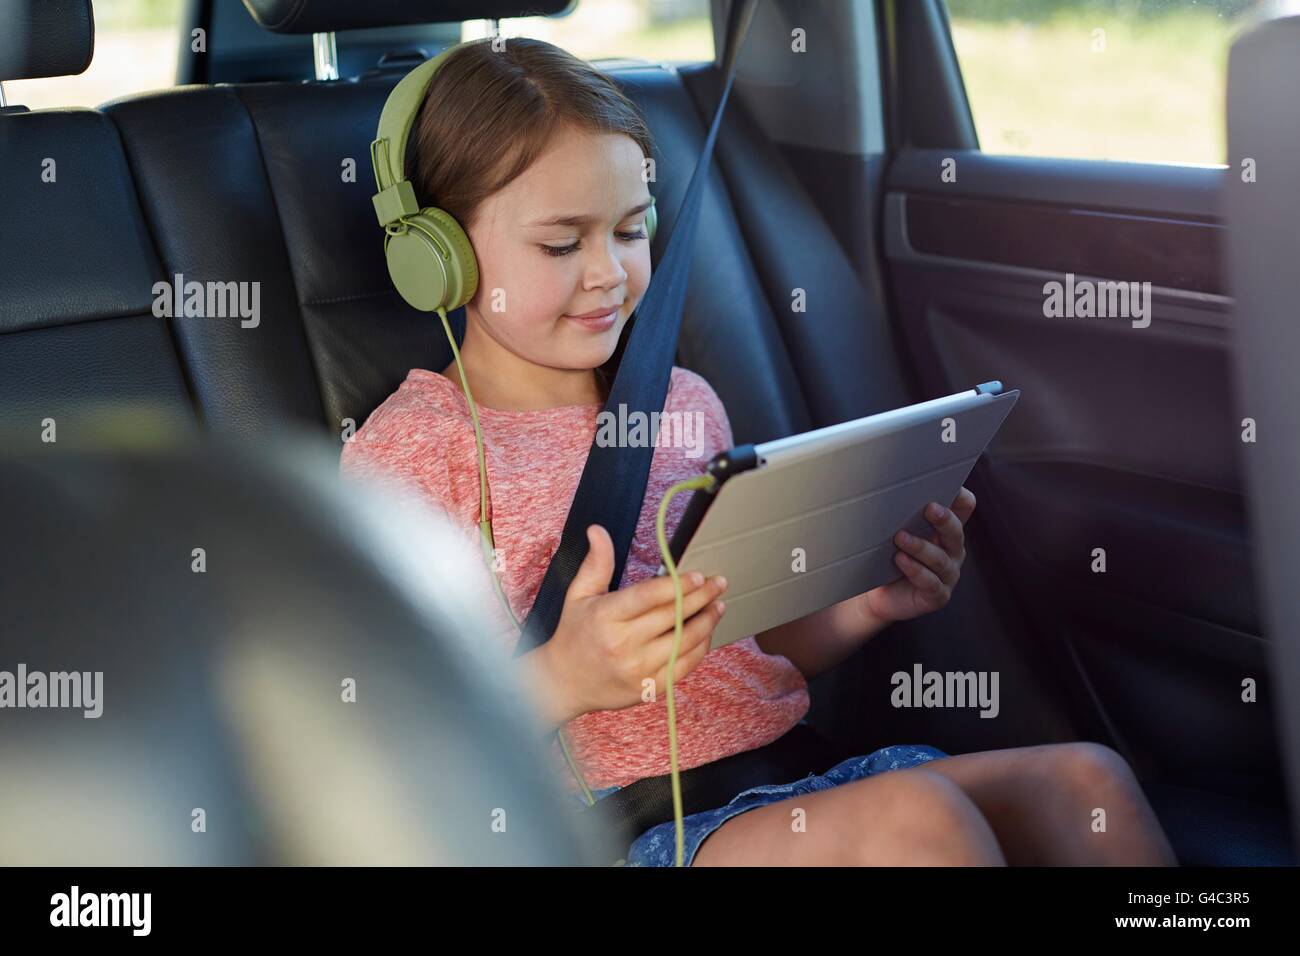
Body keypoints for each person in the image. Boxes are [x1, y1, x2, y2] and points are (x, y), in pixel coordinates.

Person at [340, 37, 1176, 867]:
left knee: (1089, 784)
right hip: (630, 831)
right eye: (562, 245)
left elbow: (748, 648)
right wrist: (561, 677)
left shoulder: (683, 403)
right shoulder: (415, 454)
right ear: (436, 257)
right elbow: (385, 742)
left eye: (631, 230)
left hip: (798, 776)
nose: (609, 273)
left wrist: (870, 601)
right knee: (919, 822)